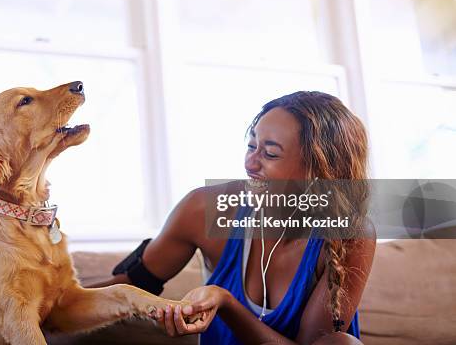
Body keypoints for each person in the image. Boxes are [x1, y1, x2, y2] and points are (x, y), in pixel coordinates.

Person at [95, 91, 376, 345]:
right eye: (252, 145)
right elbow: (133, 282)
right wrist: (54, 298)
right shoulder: (204, 209)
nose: (250, 163)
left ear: (318, 170)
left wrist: (226, 302)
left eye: (270, 153)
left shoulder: (349, 233)